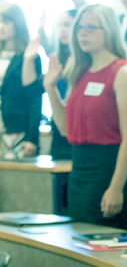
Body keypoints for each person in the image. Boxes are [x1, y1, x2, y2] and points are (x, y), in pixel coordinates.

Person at [43, 4, 127, 229]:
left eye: (90, 27)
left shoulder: (123, 73)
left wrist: (116, 187)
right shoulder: (80, 72)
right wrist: (50, 88)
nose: (82, 33)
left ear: (108, 31)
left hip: (108, 172)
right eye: (79, 28)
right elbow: (65, 129)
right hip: (79, 171)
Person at [0, 3, 42, 158]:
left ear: (17, 23)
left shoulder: (29, 55)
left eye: (6, 21)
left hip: (17, 129)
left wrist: (32, 138)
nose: (1, 27)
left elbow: (35, 99)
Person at [48, 9, 77, 160]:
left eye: (66, 25)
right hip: (59, 128)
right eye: (59, 25)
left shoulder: (87, 61)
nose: (62, 30)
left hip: (77, 130)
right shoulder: (59, 60)